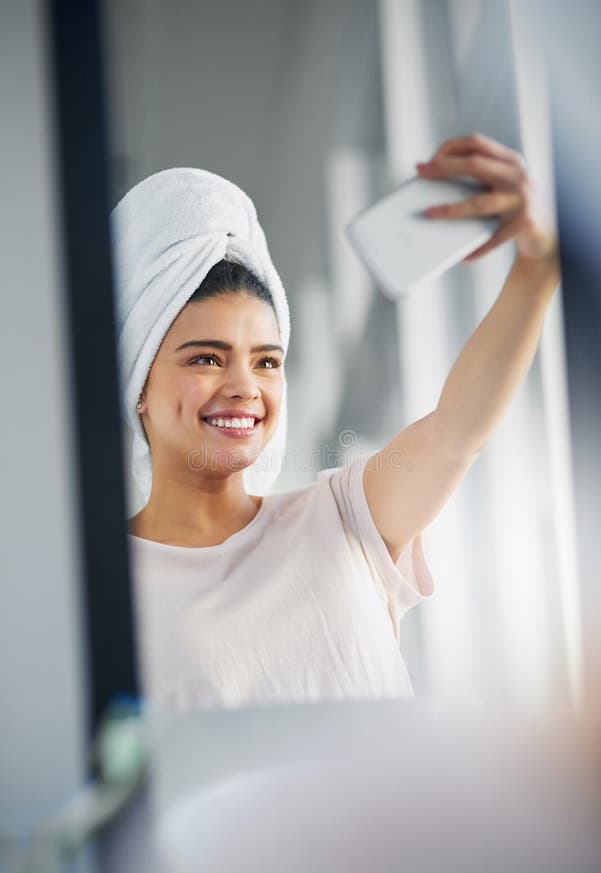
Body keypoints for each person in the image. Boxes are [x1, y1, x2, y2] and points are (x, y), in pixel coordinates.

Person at [114, 133, 560, 713]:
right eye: (206, 357)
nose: (245, 387)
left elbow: (459, 431)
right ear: (140, 383)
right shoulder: (102, 595)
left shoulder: (344, 518)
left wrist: (537, 263)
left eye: (267, 361)